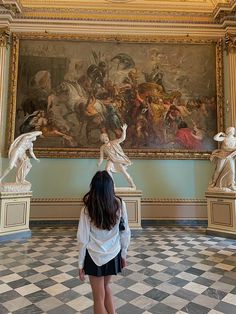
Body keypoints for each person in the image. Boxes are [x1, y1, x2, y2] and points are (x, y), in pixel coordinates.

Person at [77, 171, 131, 314]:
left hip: (94, 255)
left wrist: (80, 264)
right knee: (106, 288)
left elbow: (82, 238)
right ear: (110, 188)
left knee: (98, 298)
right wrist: (123, 254)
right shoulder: (119, 204)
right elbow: (125, 232)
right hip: (113, 253)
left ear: (93, 187)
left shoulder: (87, 208)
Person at [97, 124, 136, 189]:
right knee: (107, 169)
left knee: (123, 171)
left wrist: (124, 130)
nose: (105, 138)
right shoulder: (102, 147)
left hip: (118, 158)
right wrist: (99, 163)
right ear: (102, 140)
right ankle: (113, 185)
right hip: (111, 159)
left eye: (106, 137)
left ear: (108, 137)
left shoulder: (114, 142)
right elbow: (101, 157)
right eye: (103, 138)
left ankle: (132, 184)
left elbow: (122, 138)